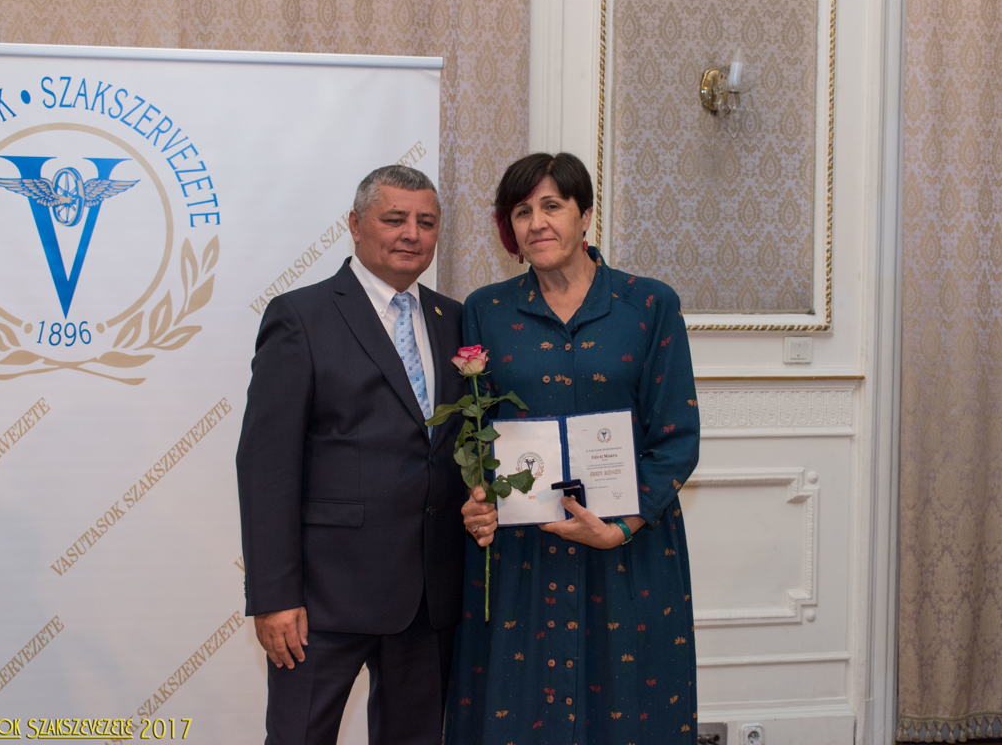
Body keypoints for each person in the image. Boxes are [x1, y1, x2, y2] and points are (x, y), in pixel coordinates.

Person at [444, 152, 702, 744]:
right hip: (522, 551)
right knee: (517, 705)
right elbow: (475, 428)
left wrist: (623, 526)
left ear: (584, 216)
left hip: (628, 546)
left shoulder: (649, 304)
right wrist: (478, 494)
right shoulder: (486, 309)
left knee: (629, 702)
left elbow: (677, 436)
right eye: (522, 211)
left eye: (552, 206)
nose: (536, 222)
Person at [235, 164, 470, 745]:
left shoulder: (454, 320)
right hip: (322, 600)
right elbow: (266, 468)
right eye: (394, 219)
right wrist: (274, 596)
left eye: (426, 222)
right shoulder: (301, 316)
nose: (411, 234)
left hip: (428, 598)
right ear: (356, 225)